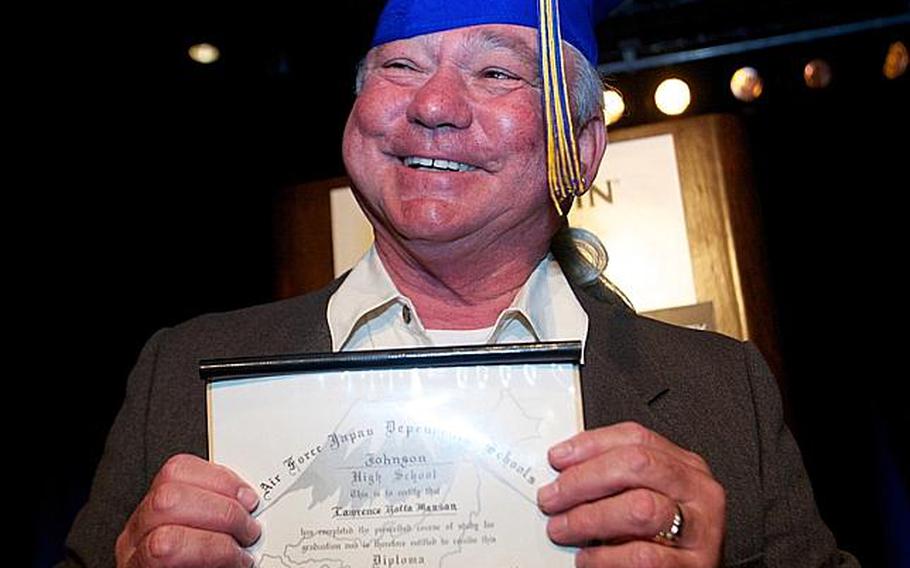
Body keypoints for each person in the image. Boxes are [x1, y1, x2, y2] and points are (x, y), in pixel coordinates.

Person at [58, 0, 859, 566]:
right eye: (401, 66)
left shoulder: (719, 392)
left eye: (497, 73)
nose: (434, 105)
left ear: (580, 148)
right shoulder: (184, 371)